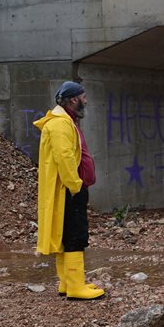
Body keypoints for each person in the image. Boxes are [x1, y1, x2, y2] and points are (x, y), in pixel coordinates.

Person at [34, 81, 105, 300]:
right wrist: (75, 185)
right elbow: (64, 157)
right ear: (73, 99)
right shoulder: (60, 124)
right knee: (75, 235)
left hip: (68, 188)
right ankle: (75, 287)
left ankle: (68, 283)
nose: (86, 101)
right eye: (83, 97)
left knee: (66, 236)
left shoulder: (65, 121)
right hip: (69, 189)